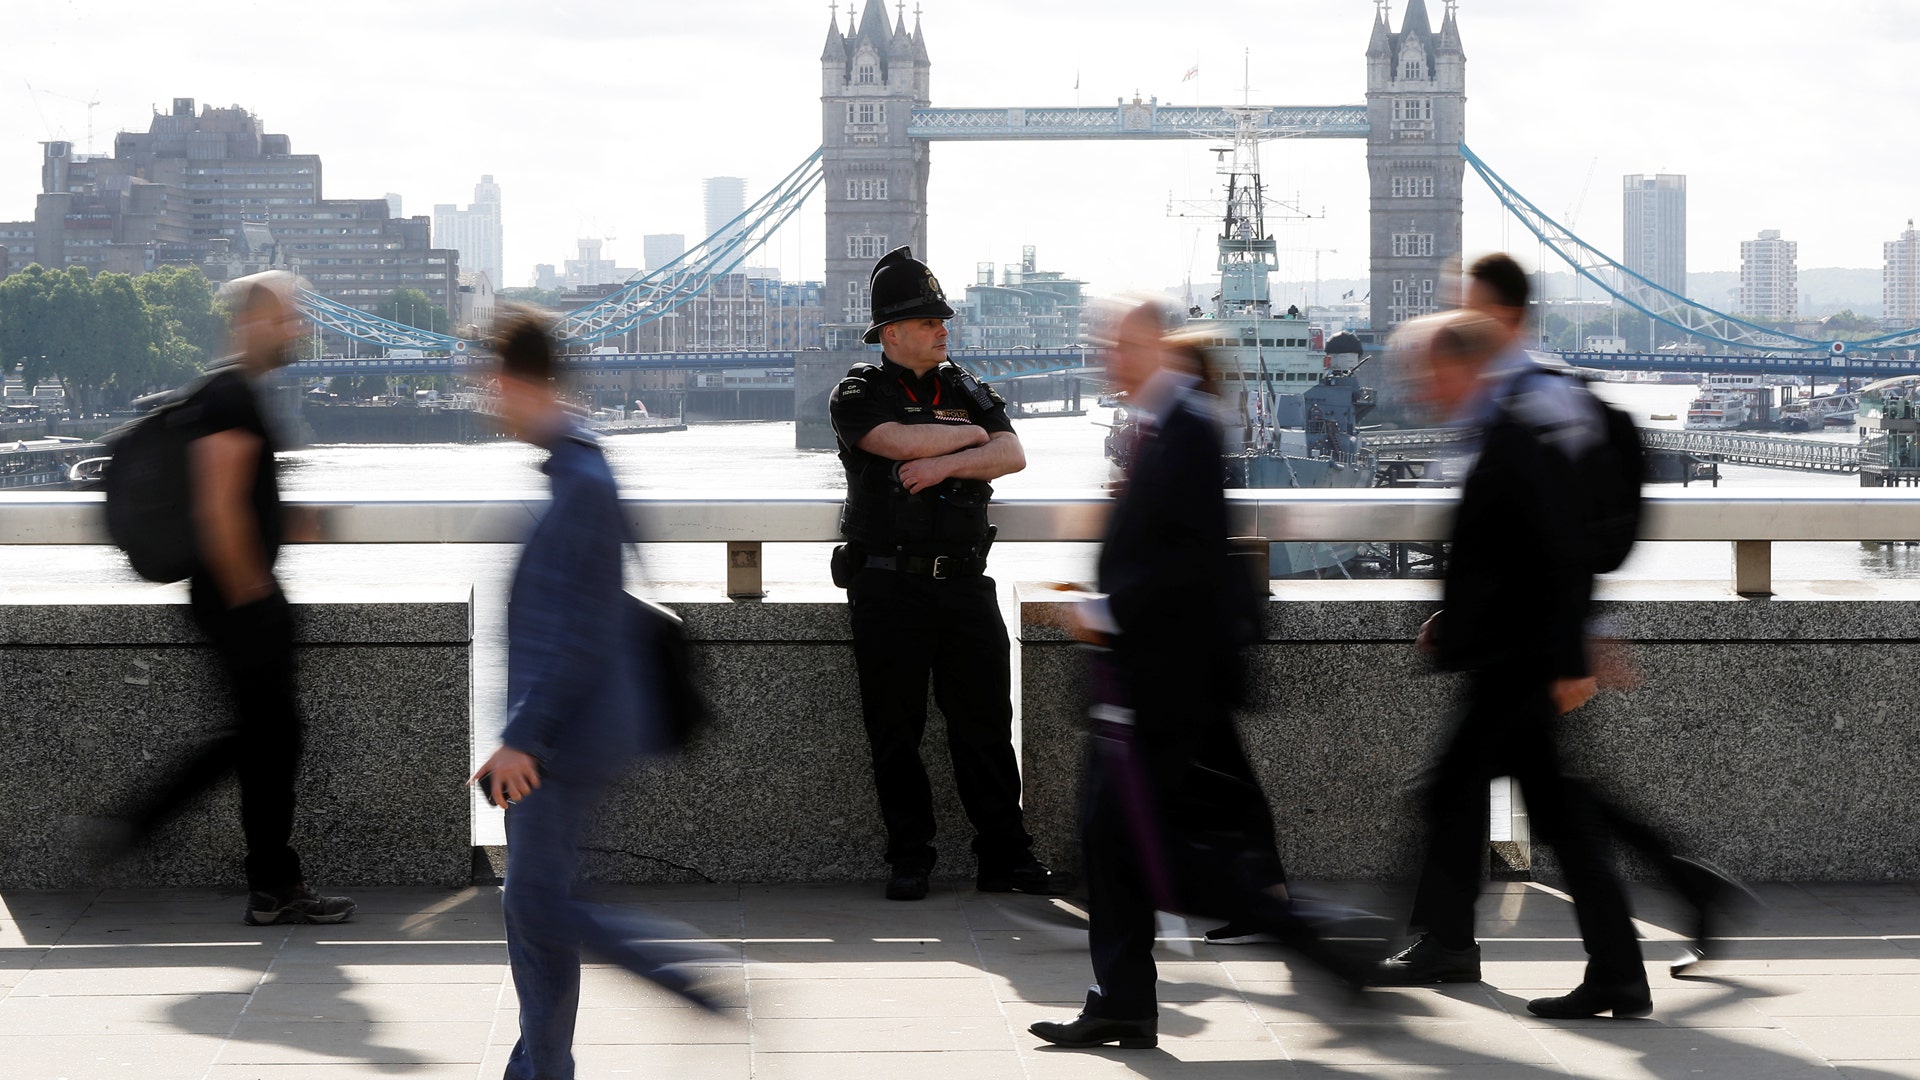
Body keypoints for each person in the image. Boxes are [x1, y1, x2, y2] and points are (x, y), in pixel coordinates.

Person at [1029, 306, 1363, 1051]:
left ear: (1153, 348)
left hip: (1162, 676)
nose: (1106, 358)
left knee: (1145, 850)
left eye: (1120, 345)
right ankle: (1123, 1001)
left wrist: (1105, 611)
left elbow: (1184, 562)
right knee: (1112, 843)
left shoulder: (1185, 428)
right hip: (1151, 673)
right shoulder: (1163, 426)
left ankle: (1315, 942)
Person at [1462, 252, 1749, 975]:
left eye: (1469, 305)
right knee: (1560, 796)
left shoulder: (1542, 395)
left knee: (1515, 795)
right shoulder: (1512, 389)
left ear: (1505, 314)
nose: (1459, 320)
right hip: (1525, 631)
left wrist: (1585, 635)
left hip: (1535, 635)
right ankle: (1678, 902)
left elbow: (1568, 531)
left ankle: (1433, 942)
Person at [1373, 307, 1653, 1019]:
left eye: (1427, 369)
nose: (1419, 385)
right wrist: (1455, 620)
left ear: (1463, 366)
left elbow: (1557, 555)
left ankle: (1432, 945)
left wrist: (1566, 661)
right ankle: (1615, 971)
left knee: (1445, 797)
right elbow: (1505, 555)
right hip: (1513, 654)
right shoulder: (1502, 430)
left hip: (1519, 663)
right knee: (1556, 818)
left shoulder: (1517, 434)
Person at [473, 308, 724, 1080]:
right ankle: (539, 1066)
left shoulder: (580, 480)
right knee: (533, 908)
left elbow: (577, 632)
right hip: (567, 728)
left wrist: (525, 738)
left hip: (567, 736)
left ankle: (683, 977)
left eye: (490, 387)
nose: (487, 402)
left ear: (516, 383)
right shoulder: (575, 467)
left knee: (541, 907)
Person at [108, 271, 354, 926]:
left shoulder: (236, 395)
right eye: (284, 319)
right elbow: (219, 509)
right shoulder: (230, 399)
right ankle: (149, 830)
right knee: (266, 740)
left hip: (231, 597)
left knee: (261, 740)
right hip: (237, 600)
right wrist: (255, 595)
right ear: (250, 325)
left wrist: (293, 523)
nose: (296, 329)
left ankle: (263, 881)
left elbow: (239, 500)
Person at [828, 246, 1072, 902]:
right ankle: (910, 857)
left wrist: (939, 463)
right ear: (892, 333)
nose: (943, 329)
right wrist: (967, 442)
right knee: (896, 730)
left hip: (965, 583)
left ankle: (1006, 857)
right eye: (929, 320)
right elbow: (895, 443)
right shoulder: (859, 392)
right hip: (889, 586)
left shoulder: (963, 386)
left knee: (986, 726)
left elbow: (1013, 453)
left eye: (943, 319)